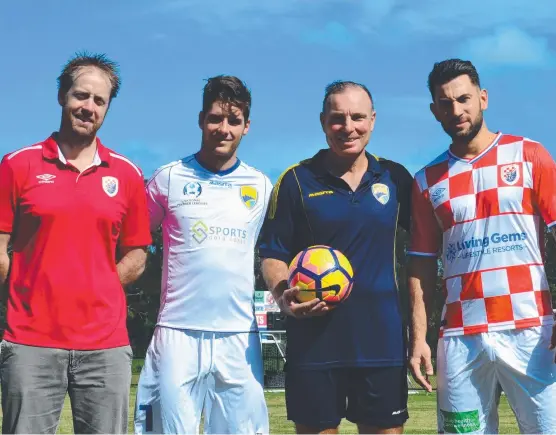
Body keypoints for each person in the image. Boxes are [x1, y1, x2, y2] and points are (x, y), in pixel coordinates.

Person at [0, 52, 151, 434]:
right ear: (61, 96)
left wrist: (100, 283)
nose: (88, 107)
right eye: (80, 96)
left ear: (107, 109)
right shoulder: (17, 165)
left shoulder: (128, 174)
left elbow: (137, 252)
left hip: (105, 346)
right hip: (30, 343)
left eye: (99, 101)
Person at [407, 58, 556, 434]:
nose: (456, 110)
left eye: (464, 98)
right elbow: (421, 267)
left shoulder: (529, 154)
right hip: (459, 337)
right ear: (434, 110)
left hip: (531, 330)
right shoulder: (426, 180)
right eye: (445, 103)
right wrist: (419, 338)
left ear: (483, 98)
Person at [258, 81, 414, 434]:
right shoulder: (297, 180)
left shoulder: (395, 178)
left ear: (373, 120)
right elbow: (271, 253)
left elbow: (426, 248)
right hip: (315, 345)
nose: (348, 127)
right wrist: (283, 295)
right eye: (337, 118)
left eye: (358, 117)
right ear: (322, 122)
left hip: (381, 342)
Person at [134, 75, 272, 434]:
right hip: (177, 334)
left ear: (247, 127)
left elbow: (275, 253)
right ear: (200, 120)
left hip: (238, 336)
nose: (223, 129)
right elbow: (132, 241)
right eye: (215, 118)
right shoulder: (168, 178)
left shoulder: (261, 186)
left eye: (233, 120)